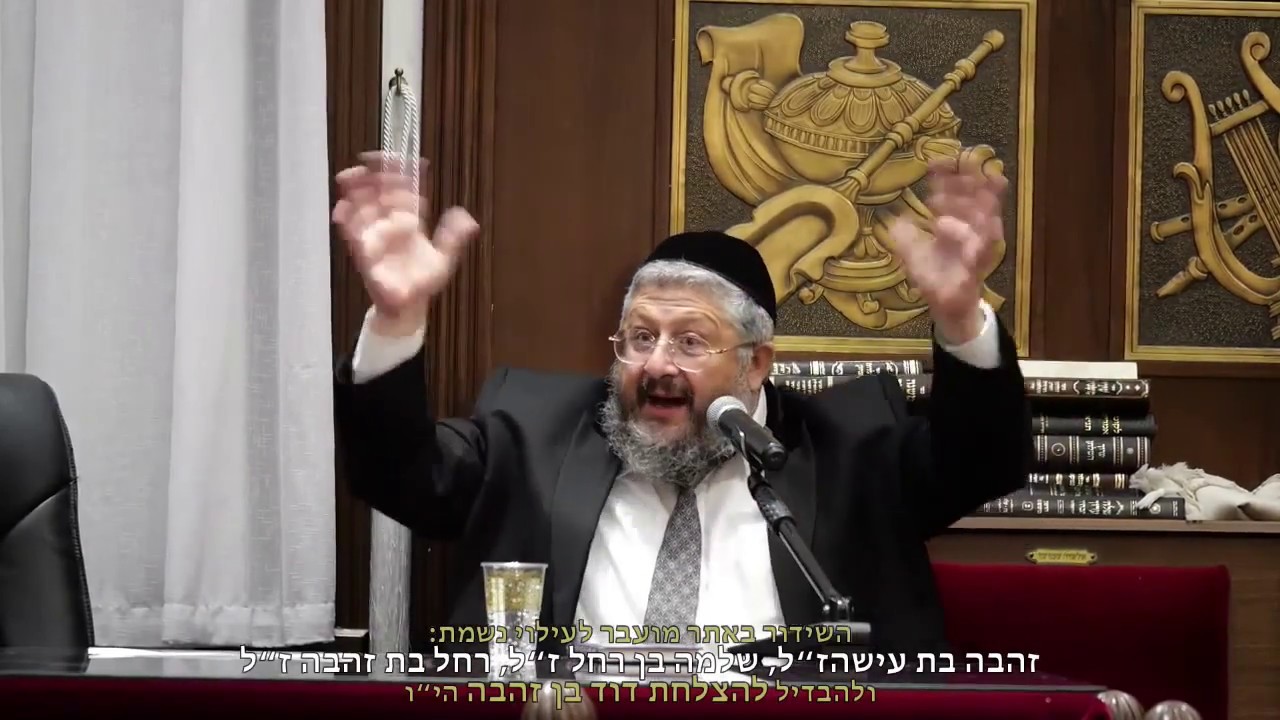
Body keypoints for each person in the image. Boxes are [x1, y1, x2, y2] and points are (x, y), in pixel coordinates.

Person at [331, 152, 1032, 656]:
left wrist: (961, 319)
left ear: (757, 363)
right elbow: (398, 472)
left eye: (691, 341)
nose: (657, 364)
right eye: (640, 337)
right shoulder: (531, 431)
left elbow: (984, 460)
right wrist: (395, 321)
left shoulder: (854, 448)